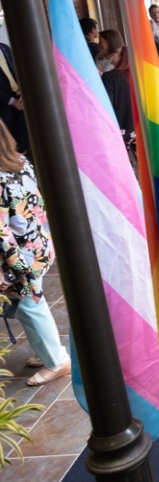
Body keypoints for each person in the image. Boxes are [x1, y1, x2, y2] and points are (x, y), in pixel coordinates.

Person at [0, 122, 70, 387]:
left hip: (18, 256)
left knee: (30, 306)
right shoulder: (20, 161)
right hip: (38, 244)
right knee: (30, 305)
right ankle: (46, 351)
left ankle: (56, 360)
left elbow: (1, 231)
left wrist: (16, 269)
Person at [96, 30, 135, 152]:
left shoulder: (110, 77)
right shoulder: (135, 73)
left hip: (122, 130)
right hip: (139, 127)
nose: (99, 44)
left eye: (101, 41)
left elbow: (106, 105)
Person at [0, 42, 29, 155]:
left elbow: (19, 69)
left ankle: (25, 167)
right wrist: (11, 101)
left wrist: (24, 91)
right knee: (10, 145)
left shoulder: (4, 47)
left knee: (23, 139)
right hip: (3, 106)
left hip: (20, 98)